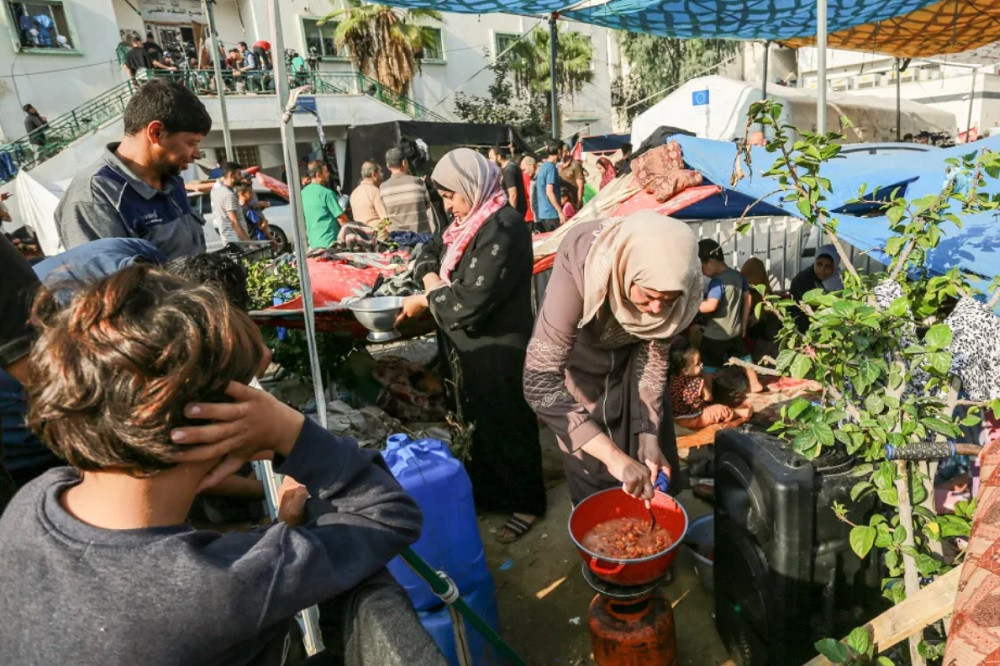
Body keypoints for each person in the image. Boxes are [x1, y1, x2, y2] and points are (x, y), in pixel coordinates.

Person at [0, 264, 443, 664]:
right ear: (217, 421)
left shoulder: (34, 503)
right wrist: (291, 431)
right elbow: (390, 515)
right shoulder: (217, 587)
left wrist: (273, 535)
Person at [395, 148, 546, 542]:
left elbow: (470, 300)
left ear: (472, 185)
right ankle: (492, 494)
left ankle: (527, 502)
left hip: (499, 346)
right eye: (443, 197)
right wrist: (430, 278)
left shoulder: (504, 226)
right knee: (473, 419)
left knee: (507, 420)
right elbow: (431, 252)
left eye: (451, 196)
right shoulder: (467, 221)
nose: (448, 206)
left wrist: (425, 297)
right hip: (467, 346)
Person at [524, 210, 702, 503]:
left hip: (634, 369)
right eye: (647, 295)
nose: (657, 310)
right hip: (580, 367)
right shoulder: (583, 258)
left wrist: (648, 435)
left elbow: (653, 364)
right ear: (625, 271)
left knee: (647, 452)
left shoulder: (684, 282)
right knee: (590, 458)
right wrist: (614, 458)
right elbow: (539, 379)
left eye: (668, 300)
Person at [54, 79, 211, 259]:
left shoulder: (171, 180)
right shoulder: (96, 197)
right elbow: (108, 283)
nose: (197, 154)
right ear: (156, 133)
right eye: (191, 143)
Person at [697, 239, 763, 395]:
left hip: (716, 335)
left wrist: (691, 306)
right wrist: (744, 323)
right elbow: (748, 299)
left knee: (707, 361)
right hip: (735, 331)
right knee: (744, 356)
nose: (702, 272)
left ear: (711, 262)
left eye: (702, 267)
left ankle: (708, 394)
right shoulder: (738, 276)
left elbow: (711, 305)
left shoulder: (716, 282)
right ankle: (755, 384)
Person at [668, 339, 751, 430]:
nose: (702, 364)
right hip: (694, 419)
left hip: (674, 419)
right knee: (719, 410)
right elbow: (708, 398)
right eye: (697, 363)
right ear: (685, 370)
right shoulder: (697, 382)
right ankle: (739, 413)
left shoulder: (671, 379)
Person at [380, 147, 433, 233]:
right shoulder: (418, 182)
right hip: (422, 238)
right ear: (404, 163)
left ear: (388, 167)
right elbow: (427, 206)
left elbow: (385, 214)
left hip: (398, 240)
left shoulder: (383, 188)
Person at [302, 160, 348, 249]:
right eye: (325, 171)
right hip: (330, 243)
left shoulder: (302, 193)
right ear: (318, 175)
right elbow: (342, 220)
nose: (328, 174)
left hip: (313, 244)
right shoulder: (327, 193)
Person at [789, 248, 838, 332]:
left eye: (828, 266)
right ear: (814, 262)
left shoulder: (837, 278)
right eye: (819, 264)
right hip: (804, 322)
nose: (822, 270)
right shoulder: (803, 279)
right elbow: (808, 308)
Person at [211, 162, 251, 244]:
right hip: (237, 240)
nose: (241, 177)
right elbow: (234, 221)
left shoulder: (216, 190)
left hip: (228, 239)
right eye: (239, 174)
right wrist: (249, 243)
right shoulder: (229, 195)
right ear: (232, 176)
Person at [532, 141, 564, 232]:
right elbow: (549, 192)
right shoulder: (551, 168)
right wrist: (560, 211)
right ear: (558, 151)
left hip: (543, 213)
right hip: (551, 213)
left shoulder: (543, 167)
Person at [490, 145, 527, 218]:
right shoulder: (511, 167)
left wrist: (511, 215)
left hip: (515, 212)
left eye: (491, 158)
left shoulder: (508, 170)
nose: (490, 161)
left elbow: (513, 195)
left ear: (499, 157)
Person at [350, 161, 389, 227]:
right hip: (378, 234)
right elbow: (385, 219)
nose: (382, 175)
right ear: (374, 175)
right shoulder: (375, 191)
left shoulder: (354, 193)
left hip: (361, 234)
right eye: (380, 172)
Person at [558, 143, 585, 209]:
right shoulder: (559, 166)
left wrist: (578, 204)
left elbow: (580, 187)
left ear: (567, 152)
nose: (559, 155)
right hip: (563, 202)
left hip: (574, 202)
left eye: (561, 152)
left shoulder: (575, 165)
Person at [519, 155, 536, 226]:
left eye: (524, 169)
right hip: (530, 214)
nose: (524, 172)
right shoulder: (526, 176)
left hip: (527, 215)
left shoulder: (524, 177)